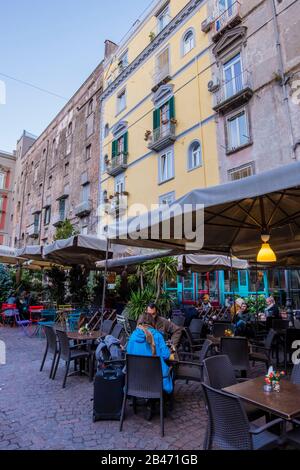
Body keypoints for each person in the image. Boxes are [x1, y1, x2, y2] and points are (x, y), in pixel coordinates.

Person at [127, 312, 173, 420]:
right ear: (151, 322)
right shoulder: (157, 335)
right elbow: (166, 355)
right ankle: (164, 404)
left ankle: (145, 401)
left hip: (135, 381)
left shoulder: (133, 336)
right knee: (170, 370)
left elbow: (128, 352)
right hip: (155, 381)